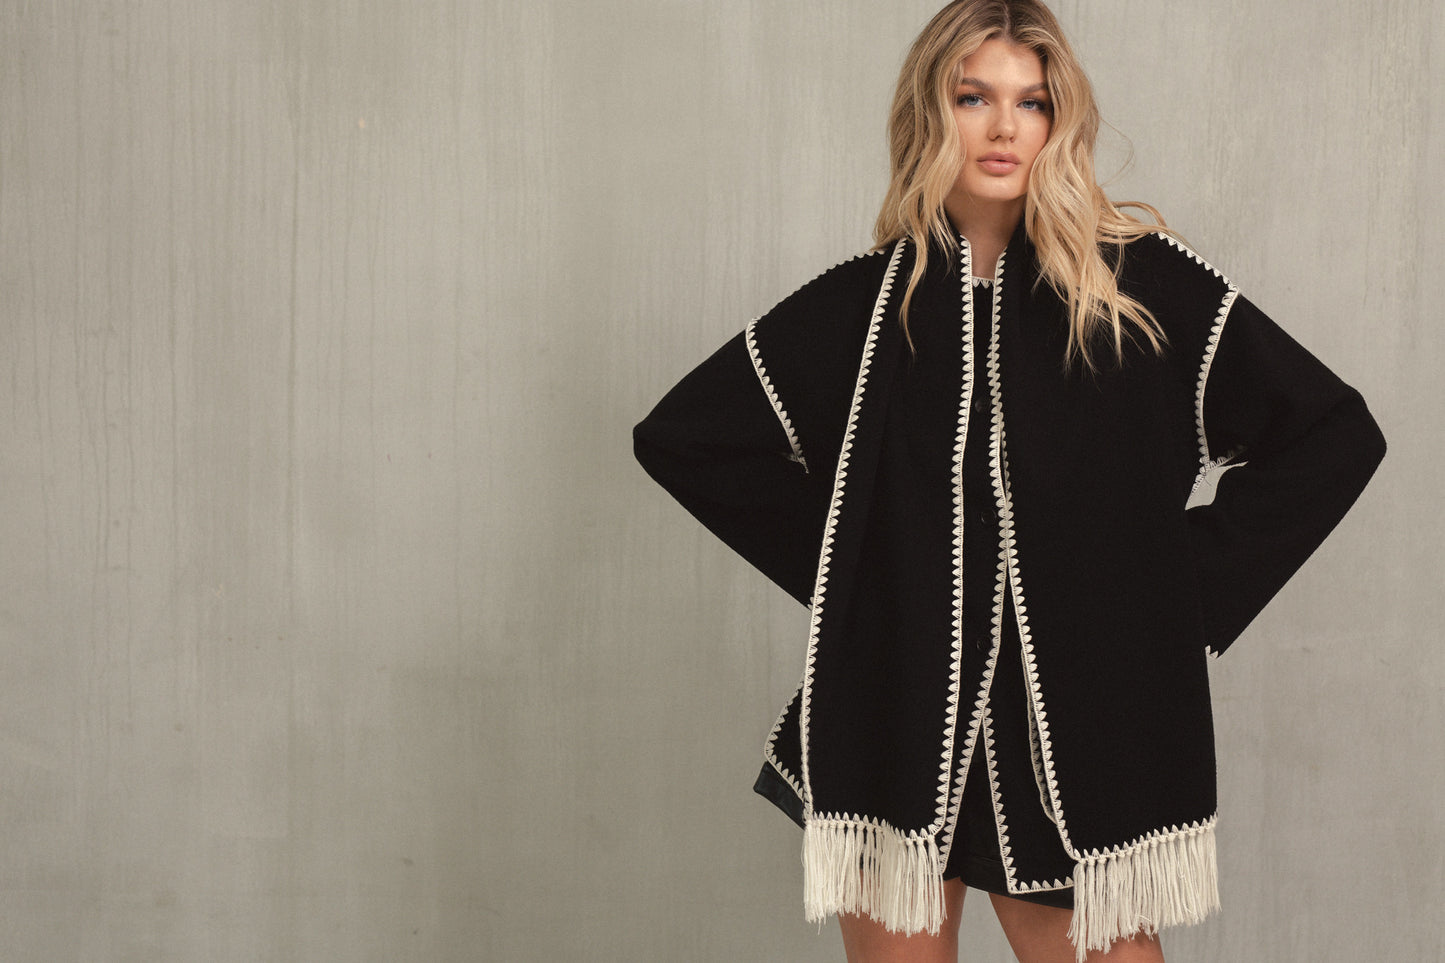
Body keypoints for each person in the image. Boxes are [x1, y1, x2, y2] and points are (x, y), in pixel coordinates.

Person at [632, 1, 1386, 960]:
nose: (1002, 127)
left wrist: (1173, 587)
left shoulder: (1139, 291)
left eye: (1030, 102)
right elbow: (685, 439)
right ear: (928, 112)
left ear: (1057, 121)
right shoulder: (863, 308)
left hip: (1077, 730)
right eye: (972, 97)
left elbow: (1330, 435)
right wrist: (860, 572)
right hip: (895, 722)